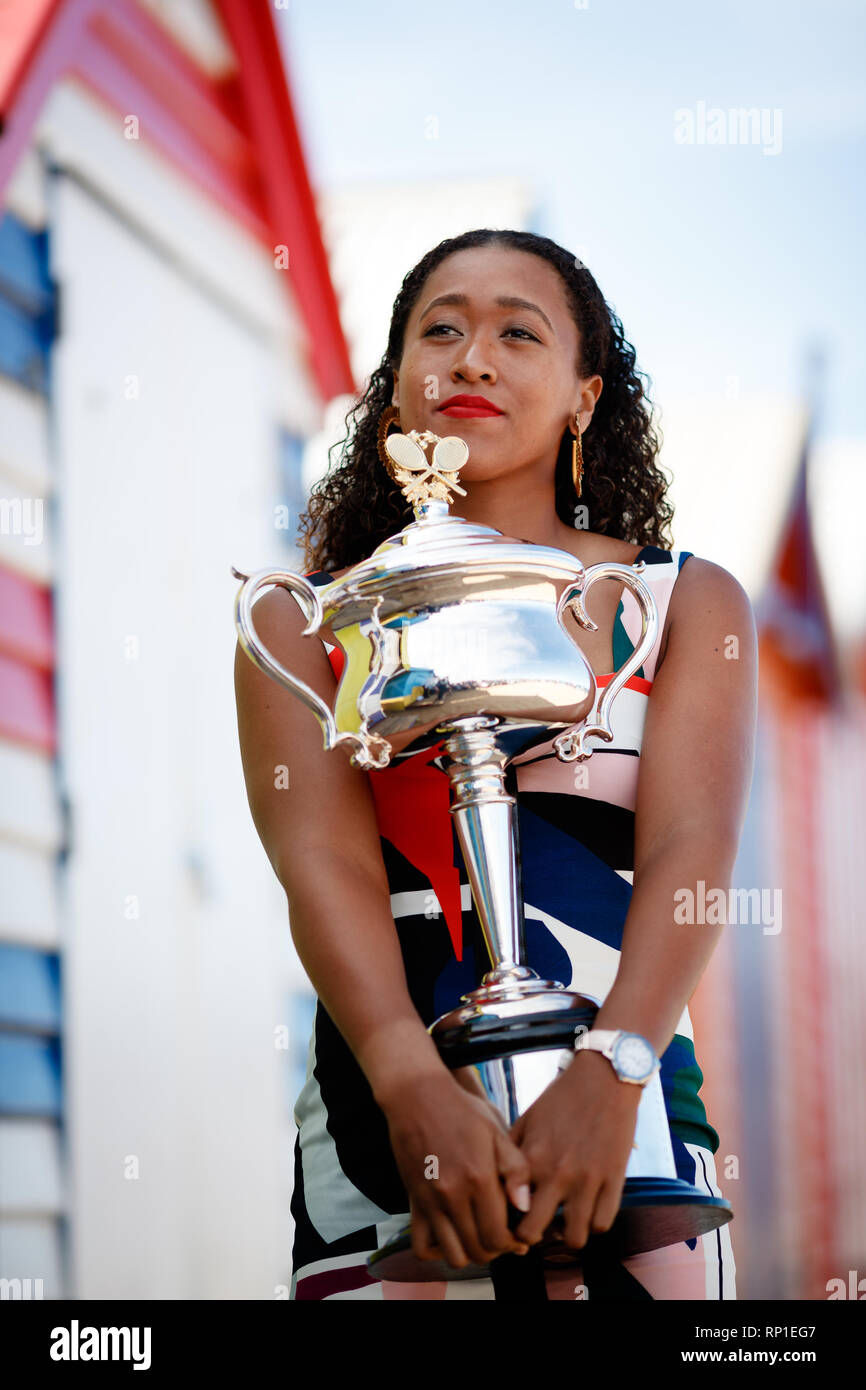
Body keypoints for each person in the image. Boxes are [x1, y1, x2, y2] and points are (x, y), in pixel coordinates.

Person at [234, 229, 757, 1300]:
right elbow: (324, 869)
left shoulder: (679, 604)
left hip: (629, 1120)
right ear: (392, 400)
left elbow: (688, 850)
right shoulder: (308, 625)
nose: (471, 357)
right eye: (441, 329)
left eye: (518, 332)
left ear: (582, 397)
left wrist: (612, 1071)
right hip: (382, 1122)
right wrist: (410, 1089)